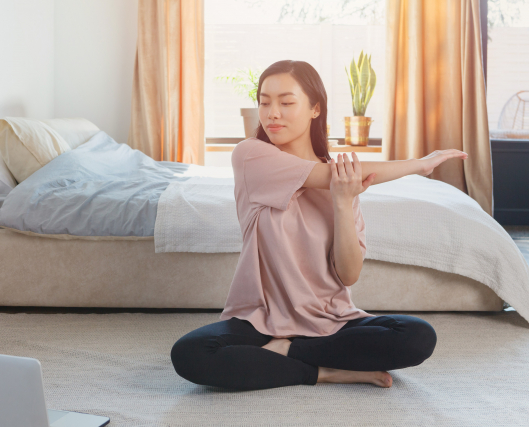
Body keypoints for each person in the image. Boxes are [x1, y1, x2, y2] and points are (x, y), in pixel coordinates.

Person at [170, 60, 468, 391]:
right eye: (264, 102)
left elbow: (348, 275)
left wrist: (342, 202)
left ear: (315, 108)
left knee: (418, 336)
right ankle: (324, 371)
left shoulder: (344, 185)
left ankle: (289, 352)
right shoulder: (251, 155)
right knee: (190, 354)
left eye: (286, 102)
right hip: (260, 321)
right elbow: (327, 176)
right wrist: (418, 165)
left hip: (332, 321)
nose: (272, 113)